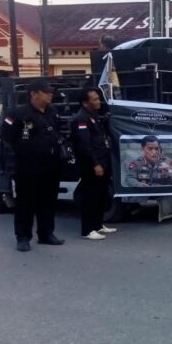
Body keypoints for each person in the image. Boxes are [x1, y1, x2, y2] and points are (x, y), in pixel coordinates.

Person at [0, 79, 65, 252]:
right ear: (34, 94)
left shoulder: (52, 112)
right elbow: (7, 138)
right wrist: (25, 149)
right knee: (25, 203)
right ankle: (23, 237)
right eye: (46, 92)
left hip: (50, 165)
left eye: (51, 91)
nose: (50, 94)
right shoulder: (17, 113)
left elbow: (58, 131)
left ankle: (46, 234)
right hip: (27, 166)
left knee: (48, 201)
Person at [70, 87, 116, 241]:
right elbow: (84, 145)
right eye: (94, 99)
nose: (98, 101)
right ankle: (87, 230)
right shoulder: (81, 119)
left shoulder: (93, 116)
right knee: (90, 196)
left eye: (98, 98)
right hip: (91, 165)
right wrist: (95, 164)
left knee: (100, 195)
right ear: (85, 103)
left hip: (103, 161)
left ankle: (98, 224)